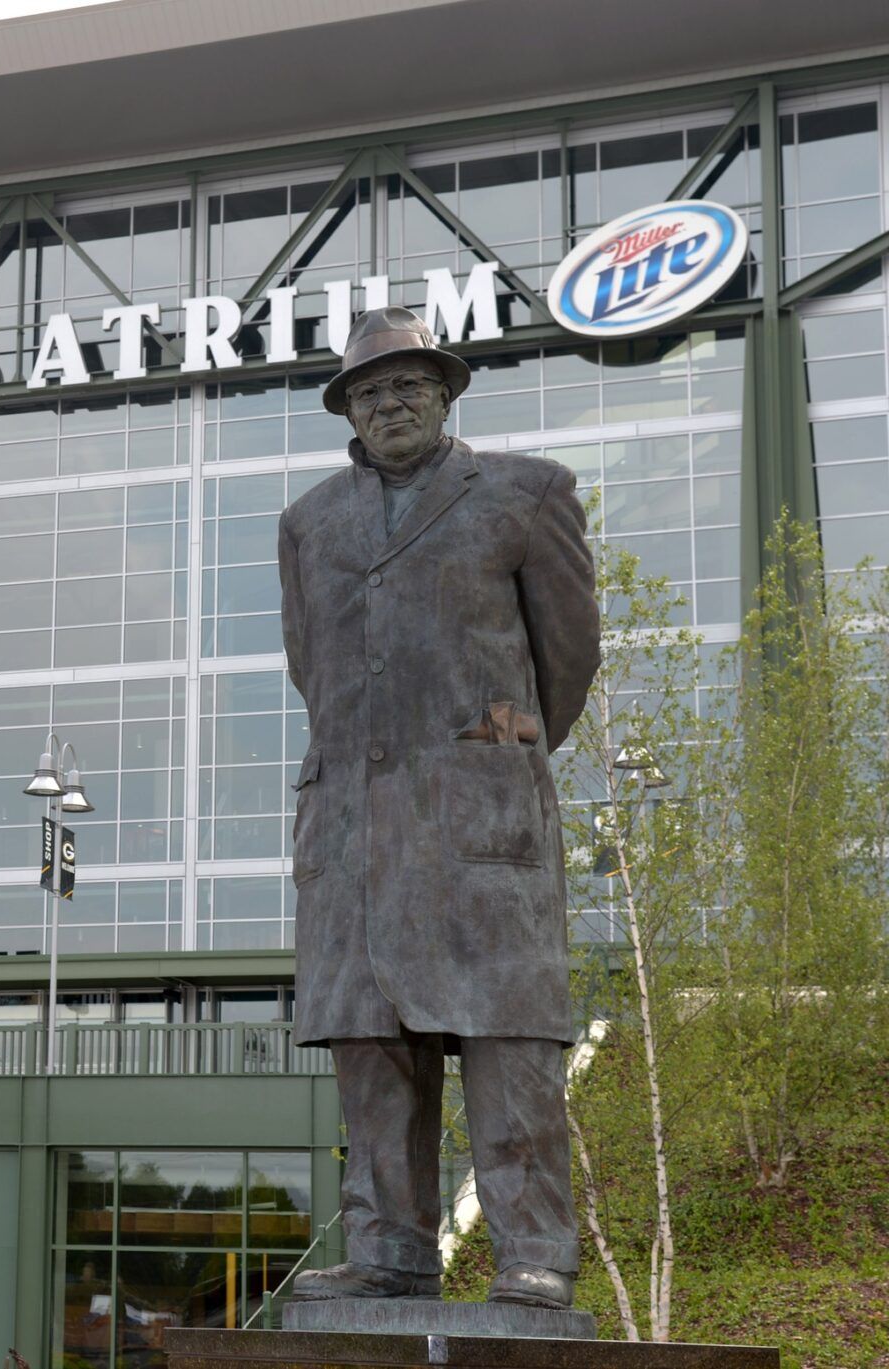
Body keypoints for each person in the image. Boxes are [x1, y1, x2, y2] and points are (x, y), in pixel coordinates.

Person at [277, 307, 599, 1311]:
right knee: (371, 1048)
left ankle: (534, 1248)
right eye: (369, 391)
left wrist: (494, 743)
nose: (390, 403)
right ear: (349, 411)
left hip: (477, 817)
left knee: (509, 1042)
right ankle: (389, 1249)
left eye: (408, 383)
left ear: (446, 390)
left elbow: (569, 656)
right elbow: (310, 668)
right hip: (353, 825)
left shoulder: (525, 493)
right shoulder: (309, 523)